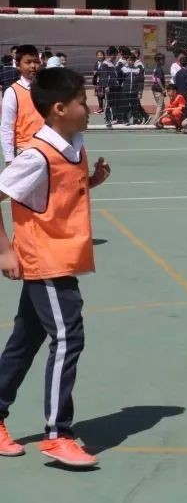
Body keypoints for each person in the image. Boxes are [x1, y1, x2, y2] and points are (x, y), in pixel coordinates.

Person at [0, 67, 111, 467]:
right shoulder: (36, 155)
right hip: (43, 257)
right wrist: (5, 252)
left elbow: (59, 192)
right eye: (83, 101)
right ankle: (57, 433)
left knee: (25, 340)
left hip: (63, 254)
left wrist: (92, 180)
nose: (90, 107)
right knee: (68, 337)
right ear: (60, 108)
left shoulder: (73, 145)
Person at [0, 45, 43, 165]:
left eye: (36, 62)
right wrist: (9, 158)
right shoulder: (12, 92)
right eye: (28, 62)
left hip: (48, 150)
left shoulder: (47, 88)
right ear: (18, 65)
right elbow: (6, 127)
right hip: (25, 151)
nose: (33, 66)